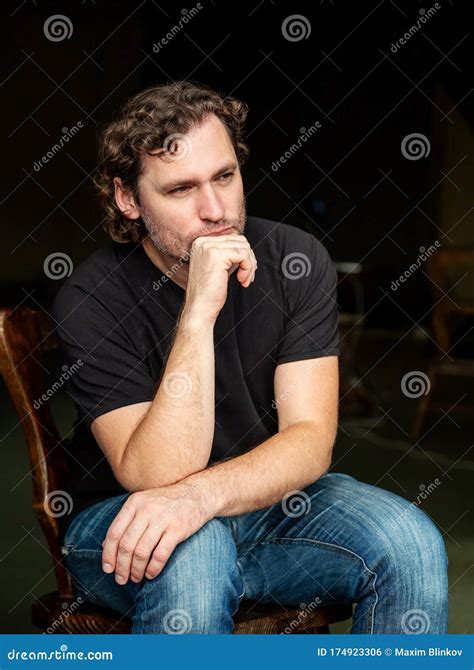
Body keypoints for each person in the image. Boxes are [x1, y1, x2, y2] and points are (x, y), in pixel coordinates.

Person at [52, 80, 448, 634]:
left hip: (264, 507)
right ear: (128, 199)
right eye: (180, 189)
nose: (215, 210)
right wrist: (198, 313)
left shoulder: (296, 260)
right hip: (121, 525)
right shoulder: (93, 296)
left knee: (408, 538)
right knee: (195, 551)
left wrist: (203, 497)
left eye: (224, 176)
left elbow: (310, 438)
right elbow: (157, 476)